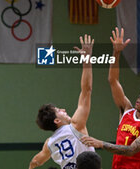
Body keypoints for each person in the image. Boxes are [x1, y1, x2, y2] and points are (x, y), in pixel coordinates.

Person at [81, 27, 140, 169]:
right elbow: (113, 80)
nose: (139, 98)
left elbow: (131, 150)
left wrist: (101, 143)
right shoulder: (127, 110)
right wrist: (116, 52)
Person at [29, 34, 95, 169]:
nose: (64, 110)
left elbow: (36, 161)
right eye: (59, 111)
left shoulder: (49, 143)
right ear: (57, 121)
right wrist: (87, 59)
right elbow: (86, 90)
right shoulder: (76, 126)